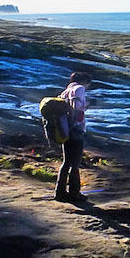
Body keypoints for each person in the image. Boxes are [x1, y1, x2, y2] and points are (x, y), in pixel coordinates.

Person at [55, 71, 92, 202]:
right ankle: (74, 193)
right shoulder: (79, 88)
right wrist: (86, 106)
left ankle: (59, 192)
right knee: (75, 163)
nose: (87, 87)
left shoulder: (66, 91)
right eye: (88, 84)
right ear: (85, 82)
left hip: (64, 129)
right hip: (75, 129)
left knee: (66, 162)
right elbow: (77, 108)